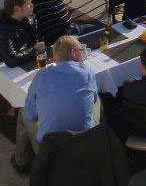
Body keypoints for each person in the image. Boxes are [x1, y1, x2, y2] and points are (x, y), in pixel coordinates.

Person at [13, 35, 97, 173]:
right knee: (95, 109)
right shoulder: (88, 72)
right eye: (80, 50)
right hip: (83, 141)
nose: (82, 53)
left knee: (23, 112)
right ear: (73, 52)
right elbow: (93, 99)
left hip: (50, 147)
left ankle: (20, 161)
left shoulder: (41, 76)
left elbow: (30, 114)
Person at [0, 0, 44, 68]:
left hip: (19, 55)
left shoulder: (29, 17)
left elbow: (33, 40)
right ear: (17, 9)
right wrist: (35, 50)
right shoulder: (1, 29)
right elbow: (11, 61)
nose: (32, 5)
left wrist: (34, 50)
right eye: (28, 4)